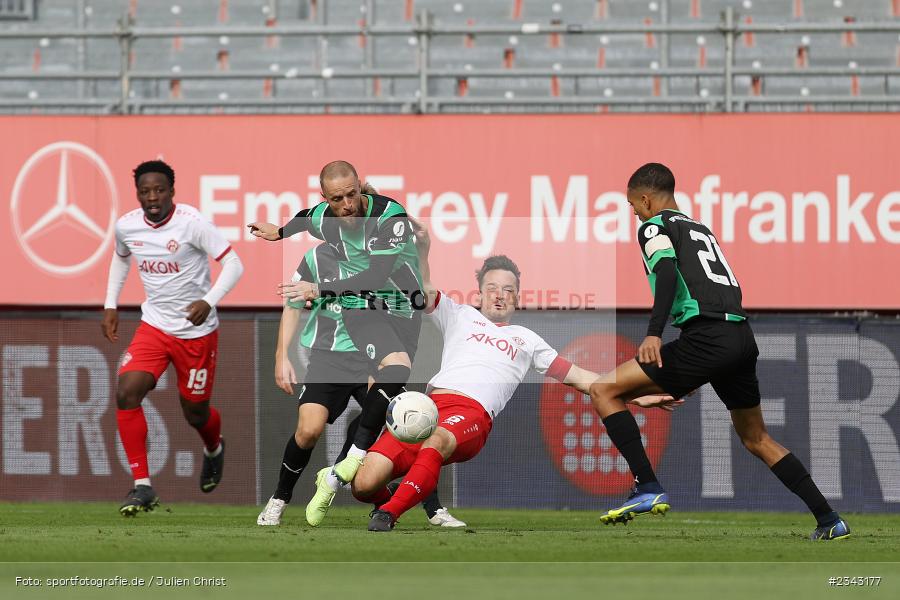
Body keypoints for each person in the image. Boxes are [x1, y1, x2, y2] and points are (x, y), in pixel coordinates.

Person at [350, 218, 680, 531]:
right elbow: (424, 288)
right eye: (492, 287)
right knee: (363, 484)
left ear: (517, 297)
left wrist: (636, 395)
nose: (499, 294)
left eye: (508, 290)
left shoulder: (527, 340)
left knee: (436, 443)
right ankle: (401, 493)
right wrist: (423, 248)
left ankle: (388, 514)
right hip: (428, 409)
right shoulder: (460, 315)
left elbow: (584, 379)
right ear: (479, 292)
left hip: (471, 414)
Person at [588, 162, 849, 541]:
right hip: (740, 337)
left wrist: (653, 334)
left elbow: (664, 273)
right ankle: (829, 519)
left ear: (645, 199)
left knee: (603, 390)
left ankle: (646, 485)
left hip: (706, 336)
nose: (634, 213)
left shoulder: (654, 227)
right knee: (756, 437)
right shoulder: (700, 229)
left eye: (632, 206)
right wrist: (698, 369)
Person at [248, 161, 424, 526]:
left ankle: (415, 504)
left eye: (352, 195)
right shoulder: (318, 249)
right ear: (326, 201)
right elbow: (303, 220)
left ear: (361, 187)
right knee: (309, 429)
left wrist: (319, 290)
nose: (346, 205)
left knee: (400, 424)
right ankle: (279, 499)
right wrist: (278, 232)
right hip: (333, 352)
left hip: (390, 318)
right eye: (337, 199)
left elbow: (376, 276)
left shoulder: (389, 218)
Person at [257, 241, 464, 527]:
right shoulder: (316, 257)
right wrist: (282, 355)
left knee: (407, 425)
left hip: (374, 353)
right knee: (307, 431)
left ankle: (434, 509)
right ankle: (279, 498)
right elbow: (293, 304)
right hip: (328, 357)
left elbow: (418, 294)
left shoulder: (385, 258)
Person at [102, 160, 244, 516]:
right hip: (154, 326)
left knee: (194, 412)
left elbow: (235, 264)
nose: (152, 197)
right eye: (145, 191)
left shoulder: (192, 224)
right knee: (126, 392)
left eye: (159, 190)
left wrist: (208, 301)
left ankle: (213, 447)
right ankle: (142, 486)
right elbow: (121, 260)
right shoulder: (127, 226)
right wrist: (110, 304)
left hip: (196, 332)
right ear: (137, 194)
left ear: (172, 192)